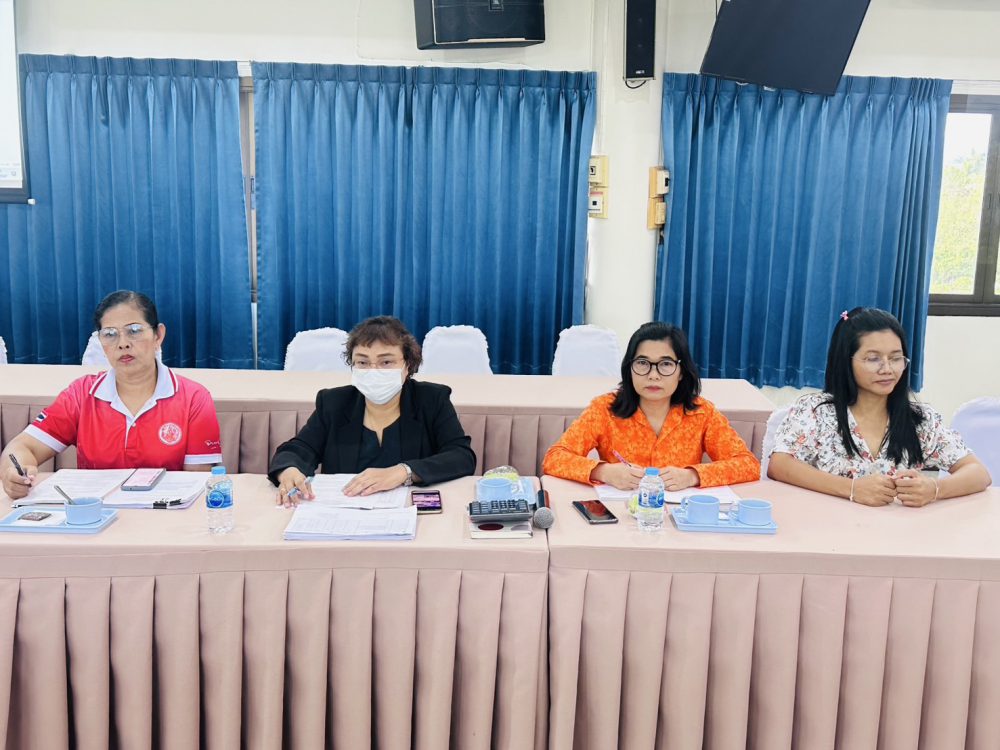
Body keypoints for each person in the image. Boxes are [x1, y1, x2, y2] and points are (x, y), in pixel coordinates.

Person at [1, 290, 223, 500]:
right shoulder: (81, 395)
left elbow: (197, 483)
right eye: (110, 334)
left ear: (158, 335)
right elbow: (22, 447)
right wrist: (15, 474)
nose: (123, 344)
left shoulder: (193, 398)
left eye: (134, 330)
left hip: (165, 516)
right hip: (96, 517)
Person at [767, 307, 991, 506]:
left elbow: (978, 473)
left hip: (898, 532)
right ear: (846, 361)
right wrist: (852, 489)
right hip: (828, 529)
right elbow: (779, 465)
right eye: (873, 359)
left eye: (895, 358)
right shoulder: (816, 411)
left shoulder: (921, 420)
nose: (887, 369)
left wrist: (934, 489)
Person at [269, 316, 476, 506]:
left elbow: (461, 456)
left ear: (408, 365)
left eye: (386, 362)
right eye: (363, 362)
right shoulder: (335, 402)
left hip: (409, 512)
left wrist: (404, 472)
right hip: (344, 513)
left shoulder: (431, 399)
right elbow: (297, 450)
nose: (373, 371)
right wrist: (289, 470)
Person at [542, 321, 760, 490]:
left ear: (681, 371)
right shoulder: (604, 409)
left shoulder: (702, 413)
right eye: (642, 363)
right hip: (620, 514)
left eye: (665, 364)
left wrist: (692, 476)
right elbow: (555, 458)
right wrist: (604, 472)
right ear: (629, 368)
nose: (653, 375)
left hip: (679, 518)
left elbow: (748, 464)